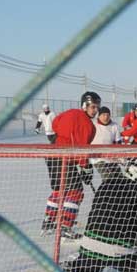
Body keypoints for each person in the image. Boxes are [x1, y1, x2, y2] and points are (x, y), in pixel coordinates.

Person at [41, 91, 99, 239]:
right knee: (76, 191)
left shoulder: (70, 112)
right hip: (64, 158)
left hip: (52, 154)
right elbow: (81, 149)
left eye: (97, 107)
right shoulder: (87, 124)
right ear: (84, 106)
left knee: (59, 191)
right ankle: (66, 227)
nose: (95, 110)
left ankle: (48, 223)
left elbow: (55, 124)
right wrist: (86, 167)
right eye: (93, 107)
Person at [90, 106, 122, 180]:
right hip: (97, 157)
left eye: (108, 115)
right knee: (107, 177)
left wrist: (118, 155)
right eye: (103, 115)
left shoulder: (114, 125)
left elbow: (118, 142)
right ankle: (106, 190)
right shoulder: (93, 124)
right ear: (99, 115)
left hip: (110, 157)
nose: (106, 117)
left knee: (119, 177)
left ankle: (118, 190)